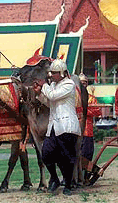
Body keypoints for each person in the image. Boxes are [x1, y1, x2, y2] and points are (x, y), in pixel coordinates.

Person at [33, 59, 80, 196]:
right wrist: (39, 94)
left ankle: (68, 184)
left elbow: (53, 96)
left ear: (61, 73)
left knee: (67, 156)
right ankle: (54, 178)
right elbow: (49, 103)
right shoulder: (53, 85)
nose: (51, 75)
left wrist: (44, 86)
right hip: (54, 125)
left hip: (67, 125)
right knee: (46, 154)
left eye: (54, 73)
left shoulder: (69, 84)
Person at [79, 73, 101, 162]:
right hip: (76, 131)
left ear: (87, 84)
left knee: (88, 154)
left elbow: (97, 111)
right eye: (81, 83)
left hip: (88, 131)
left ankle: (86, 174)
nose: (82, 85)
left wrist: (84, 111)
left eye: (84, 83)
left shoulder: (92, 98)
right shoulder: (74, 98)